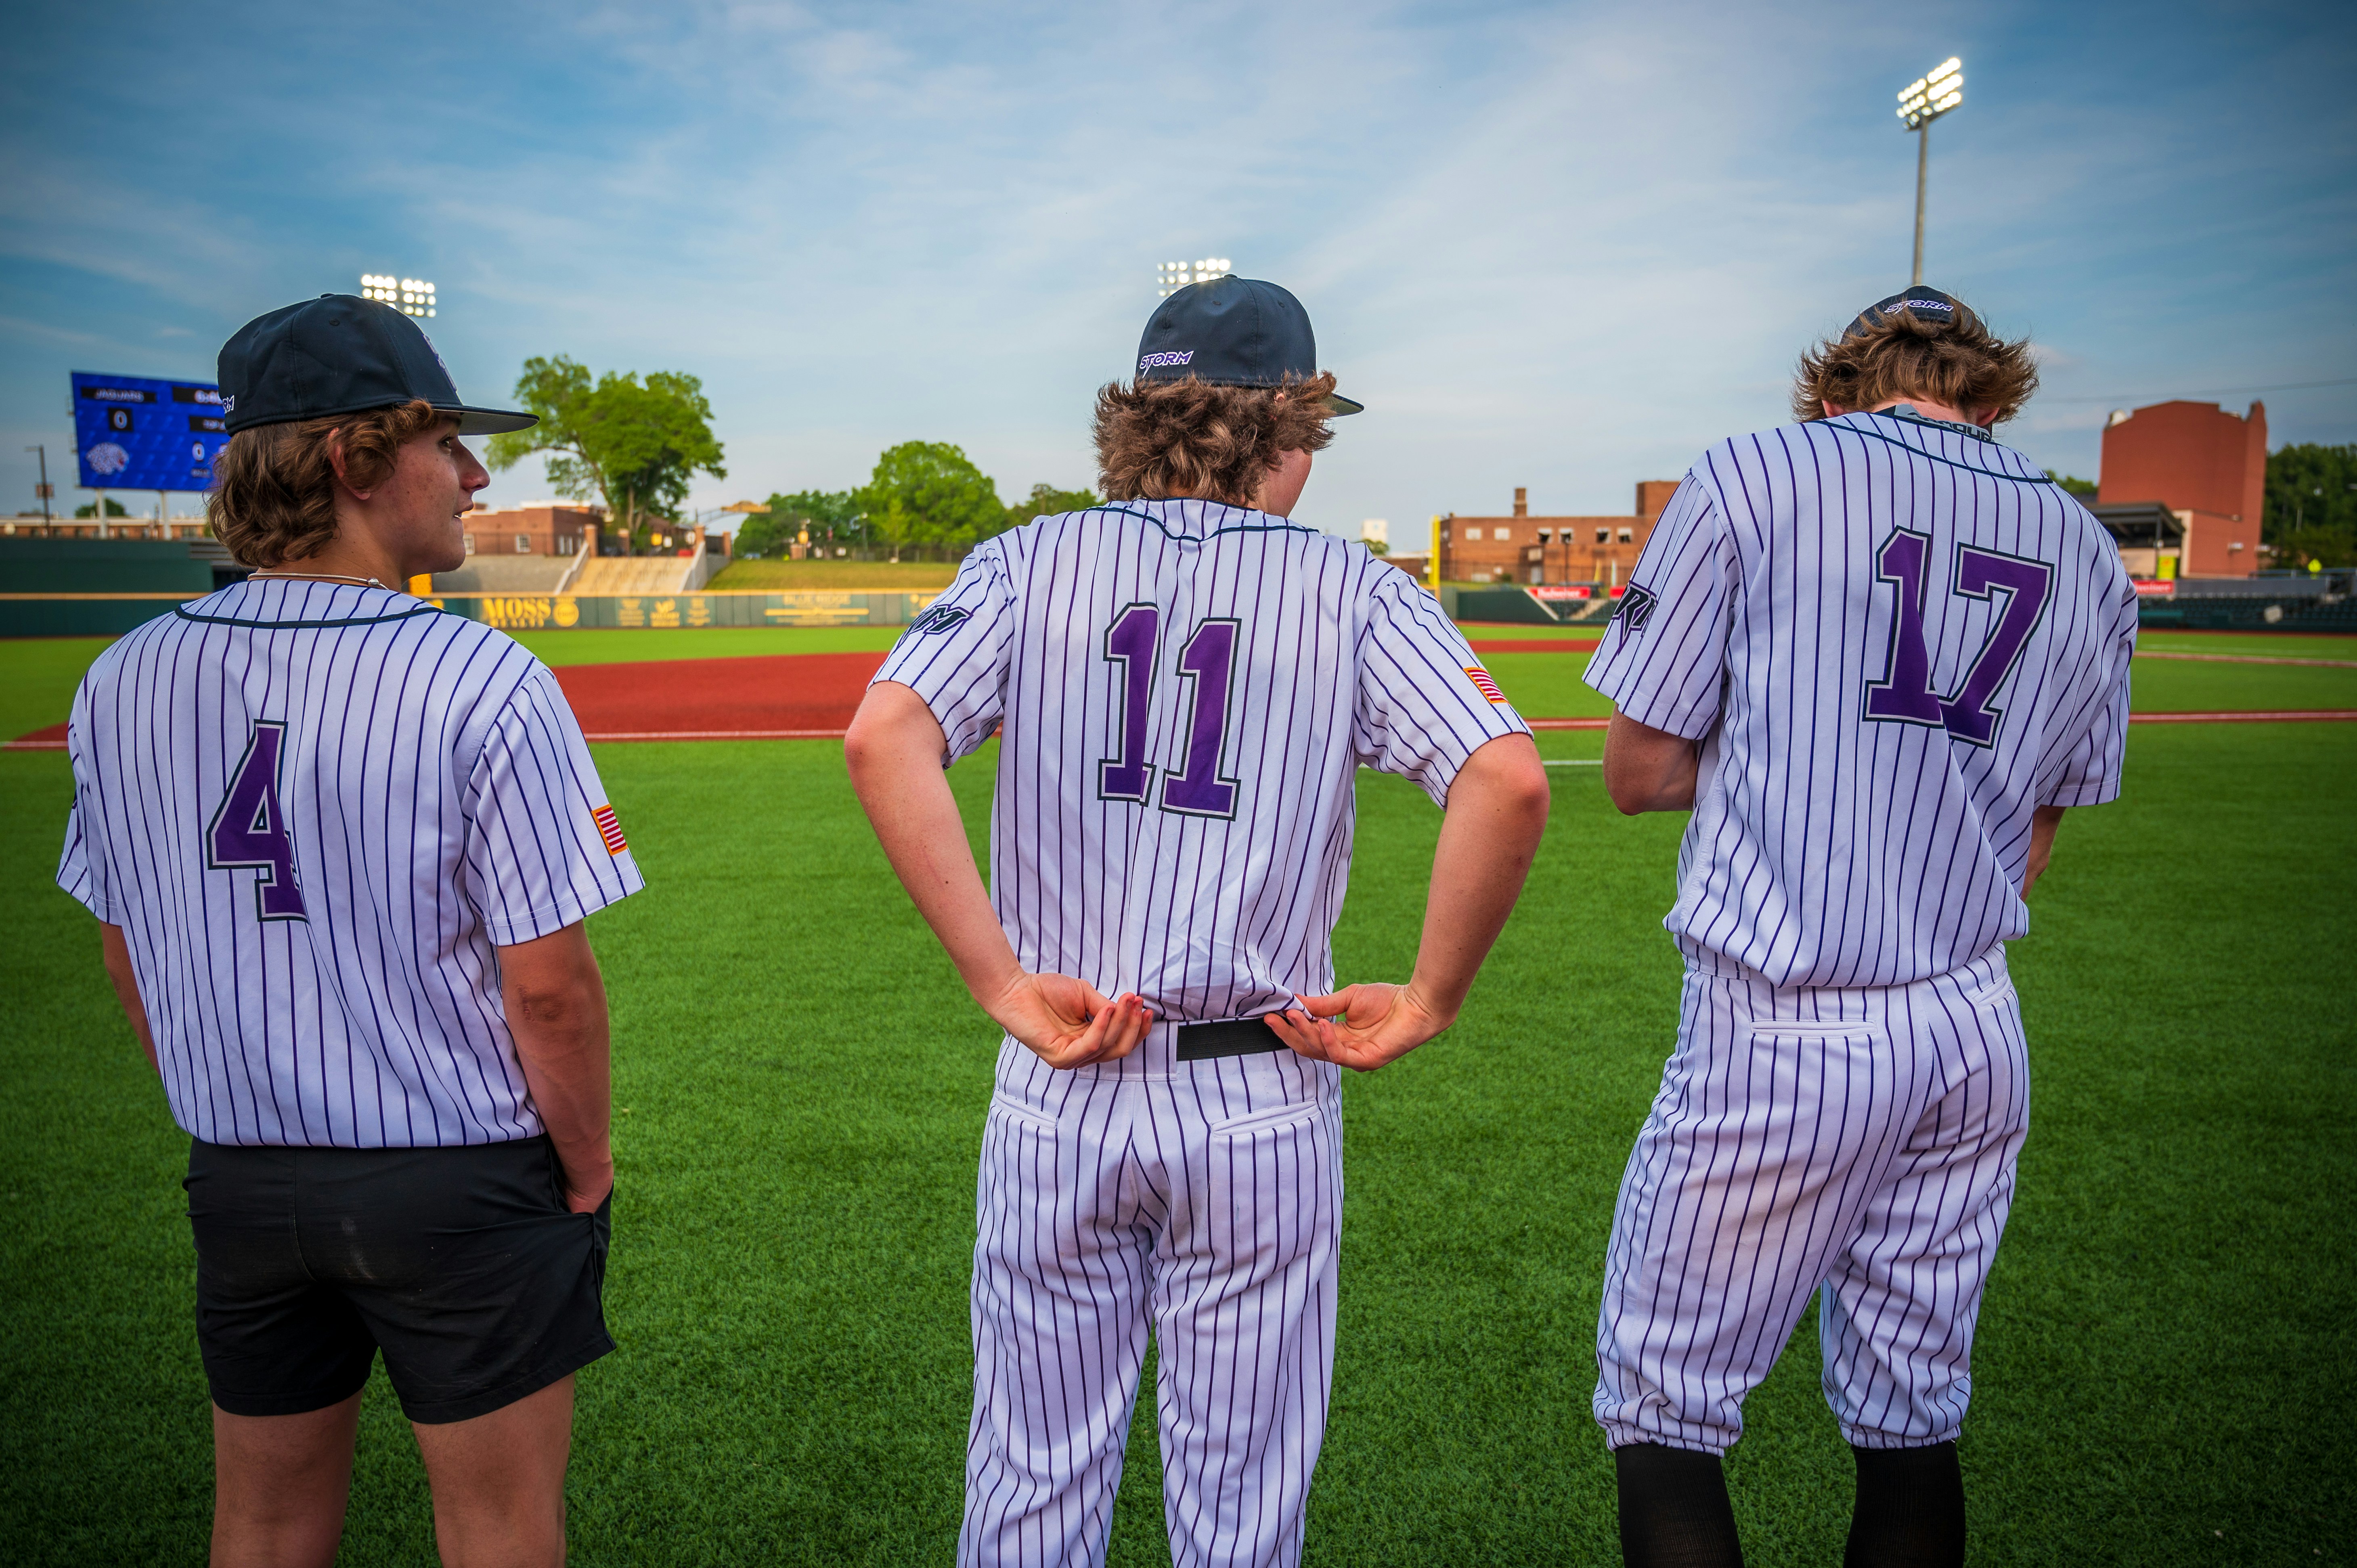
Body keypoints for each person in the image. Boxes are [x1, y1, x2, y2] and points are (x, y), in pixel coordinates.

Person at [845, 274, 1551, 1568]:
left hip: (1061, 1075)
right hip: (1260, 1087)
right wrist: (1433, 997)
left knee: (1031, 1483)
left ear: (1138, 418)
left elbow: (886, 734)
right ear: (1288, 429)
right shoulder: (1354, 587)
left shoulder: (1023, 560)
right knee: (1240, 1511)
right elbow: (1505, 778)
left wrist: (1000, 981)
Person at [58, 294, 643, 1566]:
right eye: (448, 442)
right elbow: (551, 991)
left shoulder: (117, 680)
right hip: (462, 1182)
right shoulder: (483, 676)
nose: (478, 475)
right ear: (353, 458)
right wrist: (587, 1171)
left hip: (241, 1180)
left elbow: (123, 947)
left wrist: (239, 1120)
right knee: (499, 1532)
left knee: (262, 1530)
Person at [1582, 287, 2138, 1566]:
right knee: (1911, 1417)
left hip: (1785, 1020)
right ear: (1992, 402)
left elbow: (1638, 772)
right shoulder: (2084, 540)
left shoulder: (1754, 471)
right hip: (1972, 1023)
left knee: (1665, 1407)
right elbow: (2046, 828)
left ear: (1834, 391)